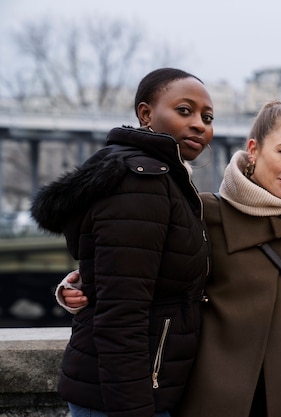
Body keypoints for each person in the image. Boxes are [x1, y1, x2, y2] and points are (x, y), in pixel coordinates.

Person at [59, 101, 281, 417]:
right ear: (254, 150)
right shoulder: (201, 213)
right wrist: (81, 286)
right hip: (211, 393)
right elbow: (137, 272)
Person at [31, 67, 213, 417]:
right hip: (126, 397)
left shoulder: (159, 179)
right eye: (184, 110)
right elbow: (122, 314)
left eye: (207, 117)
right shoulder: (141, 181)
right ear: (146, 113)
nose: (200, 125)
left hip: (138, 387)